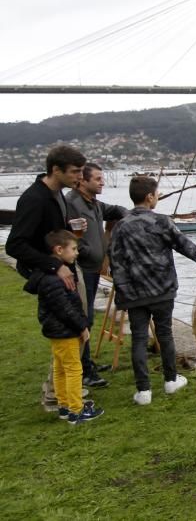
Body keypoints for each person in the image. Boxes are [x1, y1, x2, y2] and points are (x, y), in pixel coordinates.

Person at [109, 175, 196, 406]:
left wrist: (122, 291)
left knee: (138, 337)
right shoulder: (161, 222)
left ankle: (143, 390)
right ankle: (170, 379)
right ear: (149, 197)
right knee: (164, 334)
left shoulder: (120, 227)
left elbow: (114, 261)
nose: (157, 197)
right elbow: (185, 246)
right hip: (162, 290)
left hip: (134, 294)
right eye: (156, 194)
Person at [7, 144, 89, 412]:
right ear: (56, 169)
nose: (80, 177)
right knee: (70, 328)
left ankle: (64, 390)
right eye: (75, 171)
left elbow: (51, 233)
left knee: (76, 327)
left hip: (61, 266)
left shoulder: (58, 195)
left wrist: (69, 233)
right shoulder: (35, 198)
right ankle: (57, 395)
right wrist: (54, 267)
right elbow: (15, 245)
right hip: (52, 274)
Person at [24, 230, 105, 425]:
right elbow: (65, 309)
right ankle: (76, 410)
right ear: (59, 250)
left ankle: (64, 405)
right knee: (73, 369)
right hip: (66, 331)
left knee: (60, 368)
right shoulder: (55, 280)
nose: (77, 253)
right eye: (74, 249)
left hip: (56, 331)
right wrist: (82, 326)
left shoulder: (48, 275)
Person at [66, 162, 129, 388]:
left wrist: (130, 215)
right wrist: (82, 253)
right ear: (83, 181)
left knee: (88, 316)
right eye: (98, 179)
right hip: (81, 269)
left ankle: (86, 362)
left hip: (93, 270)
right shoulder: (71, 203)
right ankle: (83, 370)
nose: (102, 182)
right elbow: (66, 235)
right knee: (83, 317)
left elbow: (115, 210)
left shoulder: (94, 204)